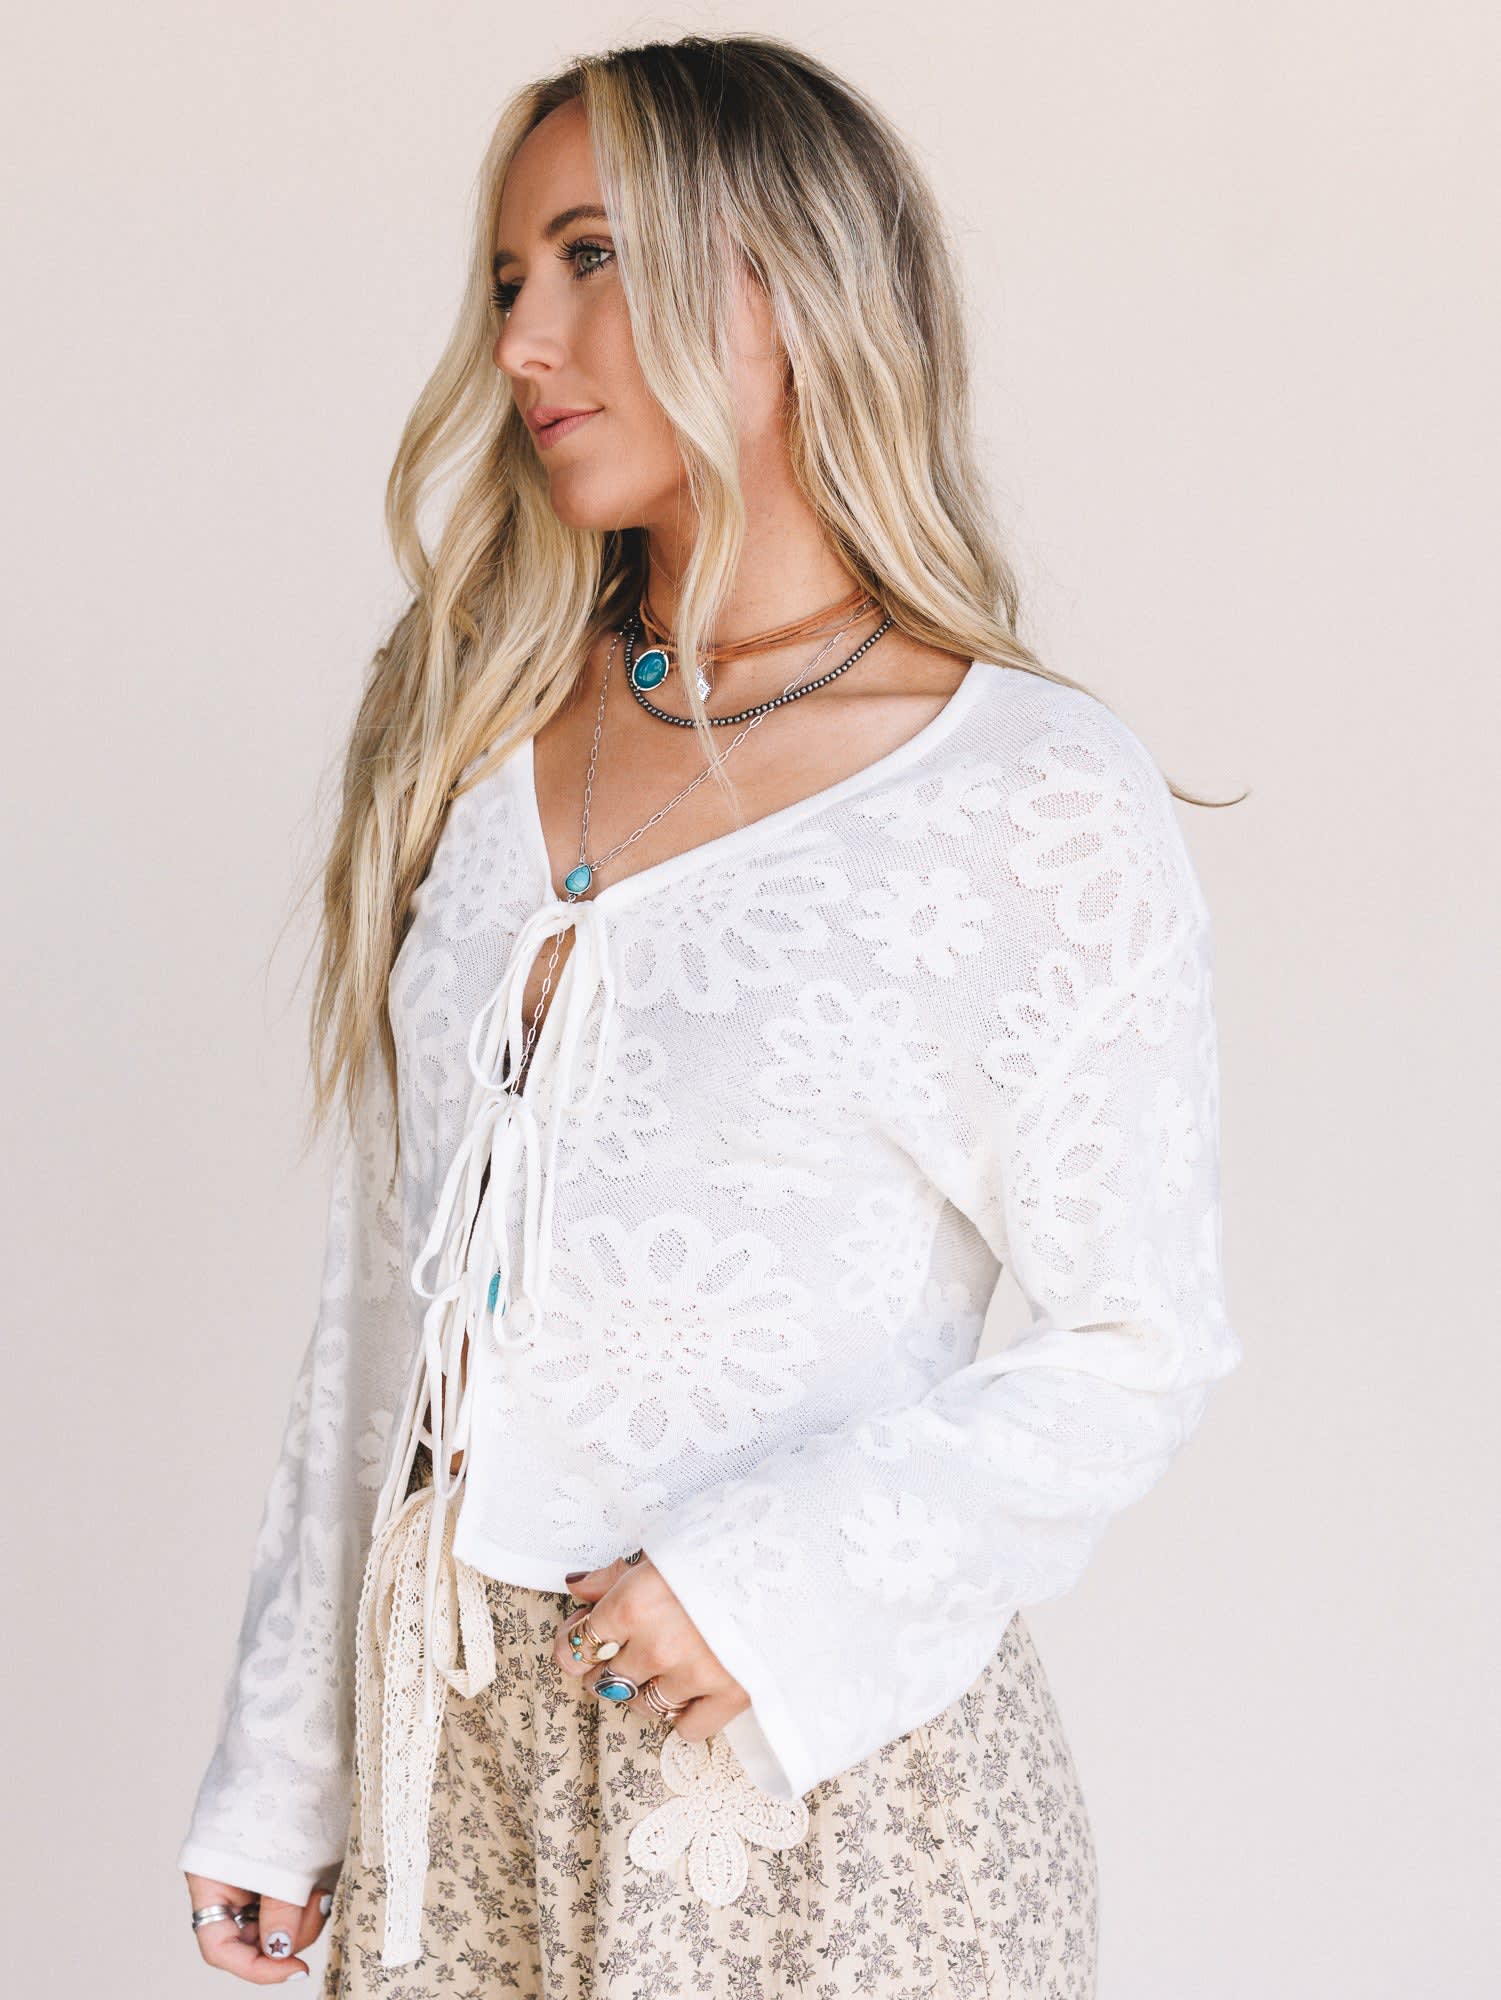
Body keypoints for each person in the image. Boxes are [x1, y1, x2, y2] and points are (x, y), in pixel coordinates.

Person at [177, 31, 1243, 1996]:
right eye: (510, 279)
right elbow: (383, 1296)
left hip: (817, 1798)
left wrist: (768, 1584)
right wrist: (282, 1767)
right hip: (456, 1788)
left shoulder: (1021, 793)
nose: (523, 341)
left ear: (792, 288)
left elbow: (1138, 1339)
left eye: (591, 257)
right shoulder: (473, 716)